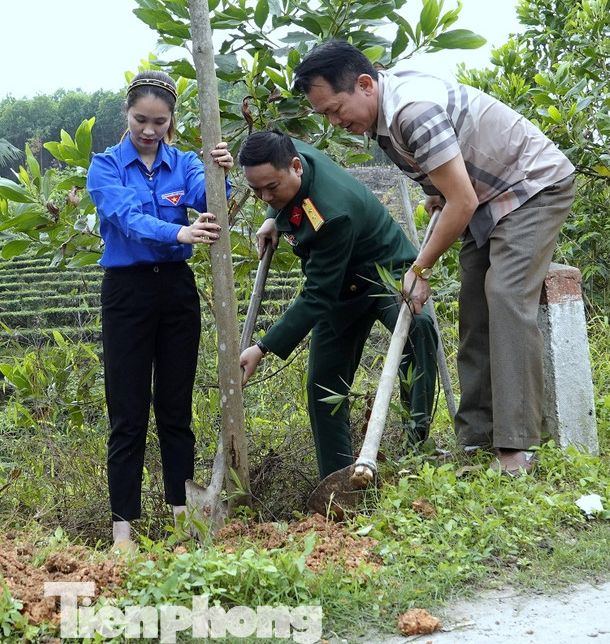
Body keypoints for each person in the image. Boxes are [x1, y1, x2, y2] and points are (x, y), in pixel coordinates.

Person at [292, 39, 576, 475]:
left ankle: (516, 449)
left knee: (505, 296)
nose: (334, 121)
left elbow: (461, 200)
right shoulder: (381, 119)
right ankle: (477, 439)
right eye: (324, 115)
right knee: (474, 310)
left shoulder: (411, 112)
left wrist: (419, 269)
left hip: (530, 187)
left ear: (365, 84)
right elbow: (450, 186)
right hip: (486, 198)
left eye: (334, 108)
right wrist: (436, 193)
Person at [237, 130, 439, 480]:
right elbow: (281, 190)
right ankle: (336, 480)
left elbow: (317, 294)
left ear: (296, 167)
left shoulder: (332, 211)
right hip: (339, 286)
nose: (265, 195)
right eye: (257, 191)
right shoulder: (284, 149)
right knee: (323, 383)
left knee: (419, 331)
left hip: (383, 272)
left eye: (272, 188)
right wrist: (274, 214)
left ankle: (415, 449)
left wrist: (263, 346)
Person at [85, 71, 232, 550]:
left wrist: (222, 174)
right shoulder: (105, 166)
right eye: (140, 120)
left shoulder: (185, 162)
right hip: (126, 294)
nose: (149, 130)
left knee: (175, 410)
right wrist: (178, 233)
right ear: (126, 115)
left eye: (159, 122)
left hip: (176, 292)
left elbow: (210, 201)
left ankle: (181, 526)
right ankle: (122, 536)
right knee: (126, 414)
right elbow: (125, 218)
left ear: (172, 121)